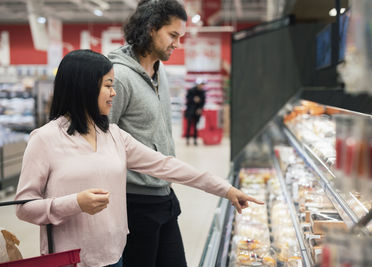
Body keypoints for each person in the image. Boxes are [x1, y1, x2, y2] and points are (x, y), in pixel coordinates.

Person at [14, 50, 262, 267]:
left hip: (114, 255)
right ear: (84, 87)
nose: (114, 93)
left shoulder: (113, 135)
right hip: (71, 260)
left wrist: (226, 189)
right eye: (108, 85)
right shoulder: (45, 139)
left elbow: (165, 166)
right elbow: (24, 207)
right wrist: (75, 203)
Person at [107, 0, 198, 266]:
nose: (177, 44)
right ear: (151, 29)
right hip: (134, 202)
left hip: (164, 195)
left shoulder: (161, 71)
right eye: (172, 35)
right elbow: (101, 141)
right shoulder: (120, 77)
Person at [184, 79, 206, 146]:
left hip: (197, 112)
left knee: (196, 126)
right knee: (189, 125)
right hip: (190, 111)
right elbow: (187, 99)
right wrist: (193, 99)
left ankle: (195, 140)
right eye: (200, 84)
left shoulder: (203, 92)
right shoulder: (191, 91)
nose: (201, 86)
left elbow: (203, 102)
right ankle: (187, 139)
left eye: (202, 85)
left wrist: (200, 109)